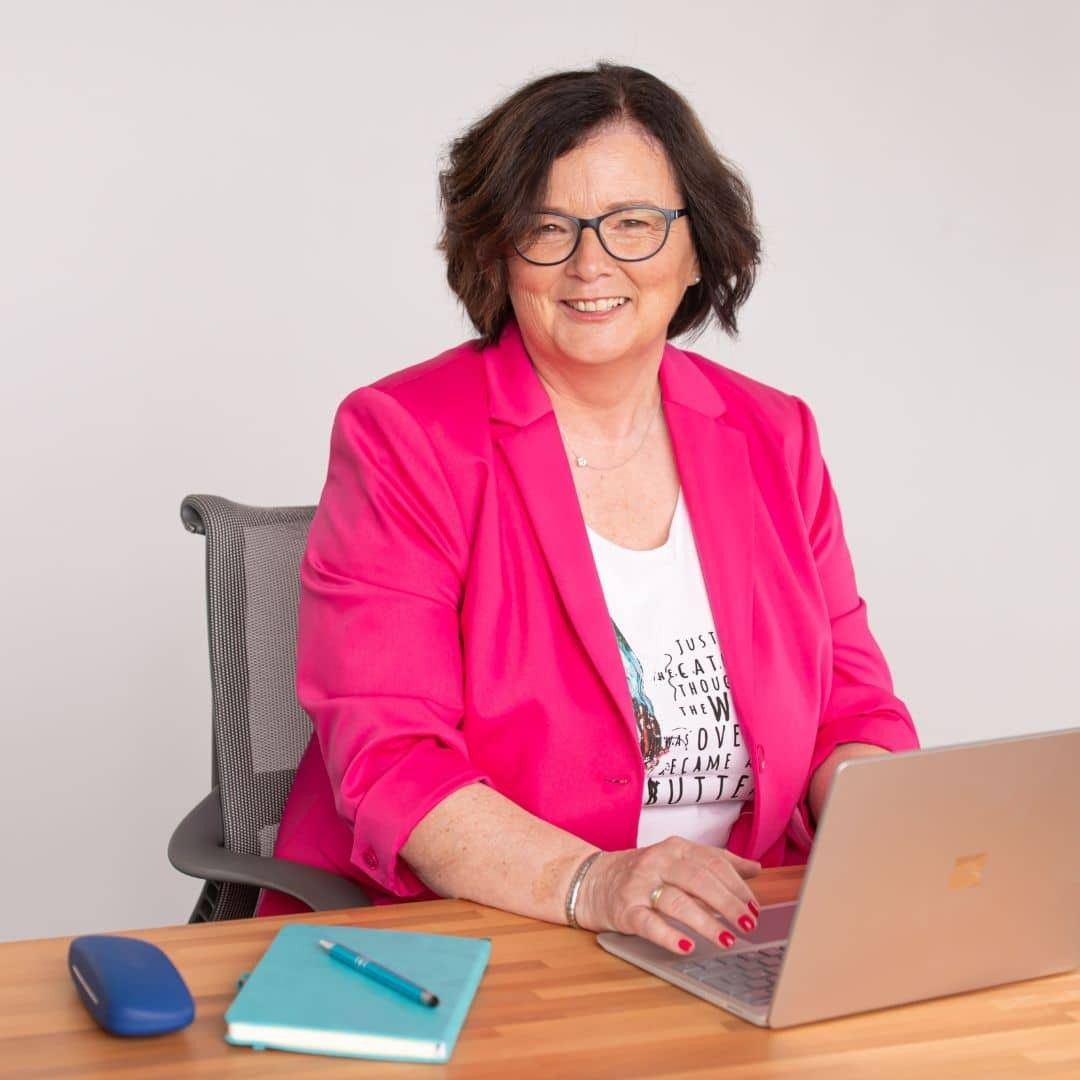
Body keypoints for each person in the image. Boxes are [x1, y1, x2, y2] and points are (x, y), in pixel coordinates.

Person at [259, 63, 919, 957]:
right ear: (498, 252)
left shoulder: (775, 435)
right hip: (485, 930)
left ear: (698, 246)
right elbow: (394, 758)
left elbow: (853, 708)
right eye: (547, 228)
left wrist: (888, 820)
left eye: (634, 223)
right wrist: (595, 882)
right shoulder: (405, 437)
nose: (591, 264)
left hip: (736, 925)